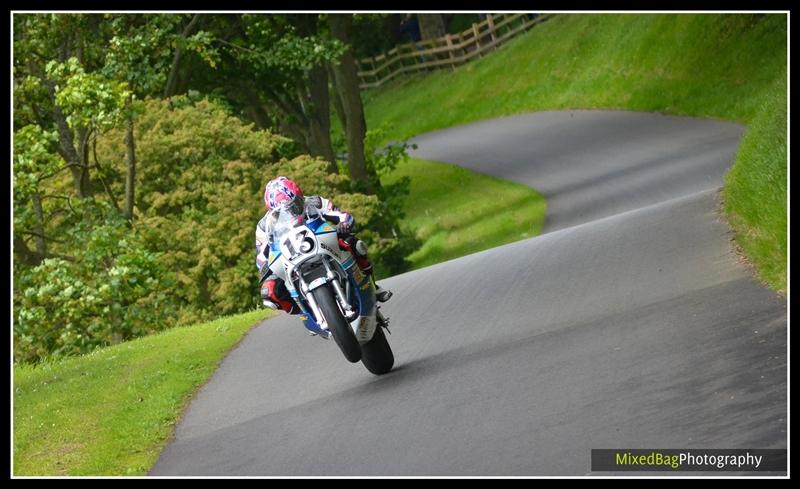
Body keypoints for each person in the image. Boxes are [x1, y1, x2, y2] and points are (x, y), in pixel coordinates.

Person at [255, 176, 392, 313]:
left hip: (323, 242)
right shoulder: (263, 225)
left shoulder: (315, 201)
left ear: (299, 195)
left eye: (294, 203)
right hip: (290, 256)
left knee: (354, 244)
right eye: (281, 210)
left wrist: (344, 223)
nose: (289, 211)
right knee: (270, 290)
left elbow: (341, 215)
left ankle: (373, 287)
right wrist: (264, 267)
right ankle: (307, 313)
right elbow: (261, 254)